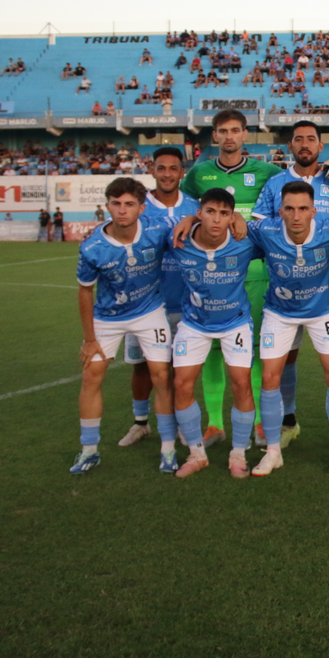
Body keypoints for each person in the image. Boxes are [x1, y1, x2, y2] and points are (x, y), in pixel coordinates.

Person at [178, 110, 282, 445]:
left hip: (254, 273)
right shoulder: (198, 173)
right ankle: (215, 423)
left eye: (235, 130)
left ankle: (258, 423)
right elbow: (186, 207)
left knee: (250, 351)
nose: (229, 137)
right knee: (209, 350)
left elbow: (298, 185)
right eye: (223, 131)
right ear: (214, 137)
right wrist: (189, 222)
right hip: (210, 276)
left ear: (245, 135)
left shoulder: (267, 172)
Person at [251, 121, 329, 446]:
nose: (305, 144)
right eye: (298, 139)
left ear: (322, 146)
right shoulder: (275, 183)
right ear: (290, 146)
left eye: (311, 139)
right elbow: (259, 225)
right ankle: (288, 421)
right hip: (284, 286)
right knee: (287, 358)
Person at [72, 178, 176, 474]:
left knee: (160, 374)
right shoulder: (92, 246)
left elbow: (190, 223)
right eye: (116, 204)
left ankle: (168, 448)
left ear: (141, 208)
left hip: (149, 311)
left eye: (129, 204)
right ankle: (88, 450)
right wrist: (89, 338)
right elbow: (84, 291)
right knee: (91, 376)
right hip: (107, 317)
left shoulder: (157, 229)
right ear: (107, 206)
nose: (122, 210)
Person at [168, 188, 262, 478]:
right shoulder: (177, 238)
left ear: (232, 217)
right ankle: (197, 454)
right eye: (210, 211)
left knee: (241, 383)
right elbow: (138, 226)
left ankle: (238, 454)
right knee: (182, 384)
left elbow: (284, 229)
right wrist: (184, 219)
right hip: (195, 323)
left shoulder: (245, 240)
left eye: (224, 213)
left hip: (235, 322)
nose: (217, 219)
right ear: (200, 213)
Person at [116, 147, 200, 449]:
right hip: (145, 304)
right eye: (161, 168)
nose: (167, 174)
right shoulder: (139, 206)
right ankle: (140, 423)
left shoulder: (194, 206)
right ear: (152, 170)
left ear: (182, 172)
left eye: (173, 168)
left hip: (185, 304)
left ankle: (179, 423)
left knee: (180, 369)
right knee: (141, 366)